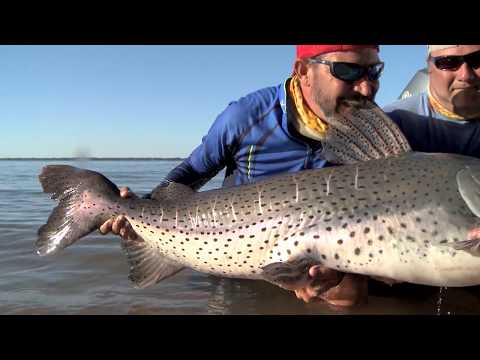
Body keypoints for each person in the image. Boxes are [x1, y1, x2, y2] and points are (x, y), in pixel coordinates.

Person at [100, 44, 384, 306]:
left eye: (375, 71)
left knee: (352, 295)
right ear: (303, 71)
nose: (367, 87)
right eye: (347, 70)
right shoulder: (246, 117)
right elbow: (189, 174)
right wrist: (140, 210)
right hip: (237, 256)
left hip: (318, 261)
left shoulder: (370, 129)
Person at [384, 45, 480, 157]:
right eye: (448, 62)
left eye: (477, 59)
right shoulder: (391, 125)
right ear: (429, 66)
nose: (465, 76)